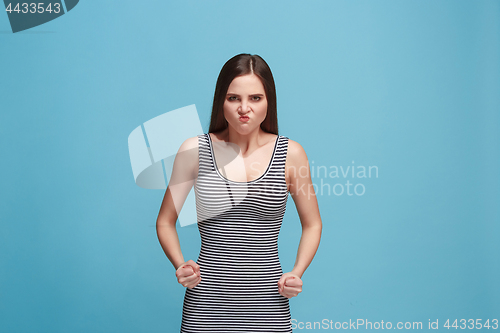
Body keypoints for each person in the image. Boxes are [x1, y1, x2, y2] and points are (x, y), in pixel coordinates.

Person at [156, 53, 322, 332]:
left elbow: (313, 223)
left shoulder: (291, 154)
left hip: (269, 305)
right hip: (205, 307)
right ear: (221, 101)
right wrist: (180, 264)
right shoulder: (194, 151)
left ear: (269, 101)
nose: (244, 108)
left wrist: (296, 272)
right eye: (234, 98)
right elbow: (164, 221)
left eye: (255, 98)